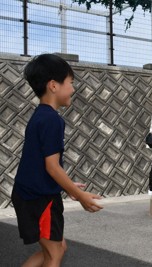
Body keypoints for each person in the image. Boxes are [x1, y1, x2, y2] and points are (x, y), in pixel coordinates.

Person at [11, 54, 103, 267]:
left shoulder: (40, 116)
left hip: (30, 195)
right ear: (53, 85)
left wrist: (69, 187)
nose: (73, 88)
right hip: (39, 199)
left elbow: (42, 166)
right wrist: (80, 196)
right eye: (70, 83)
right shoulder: (52, 120)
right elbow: (51, 167)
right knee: (54, 254)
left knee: (56, 249)